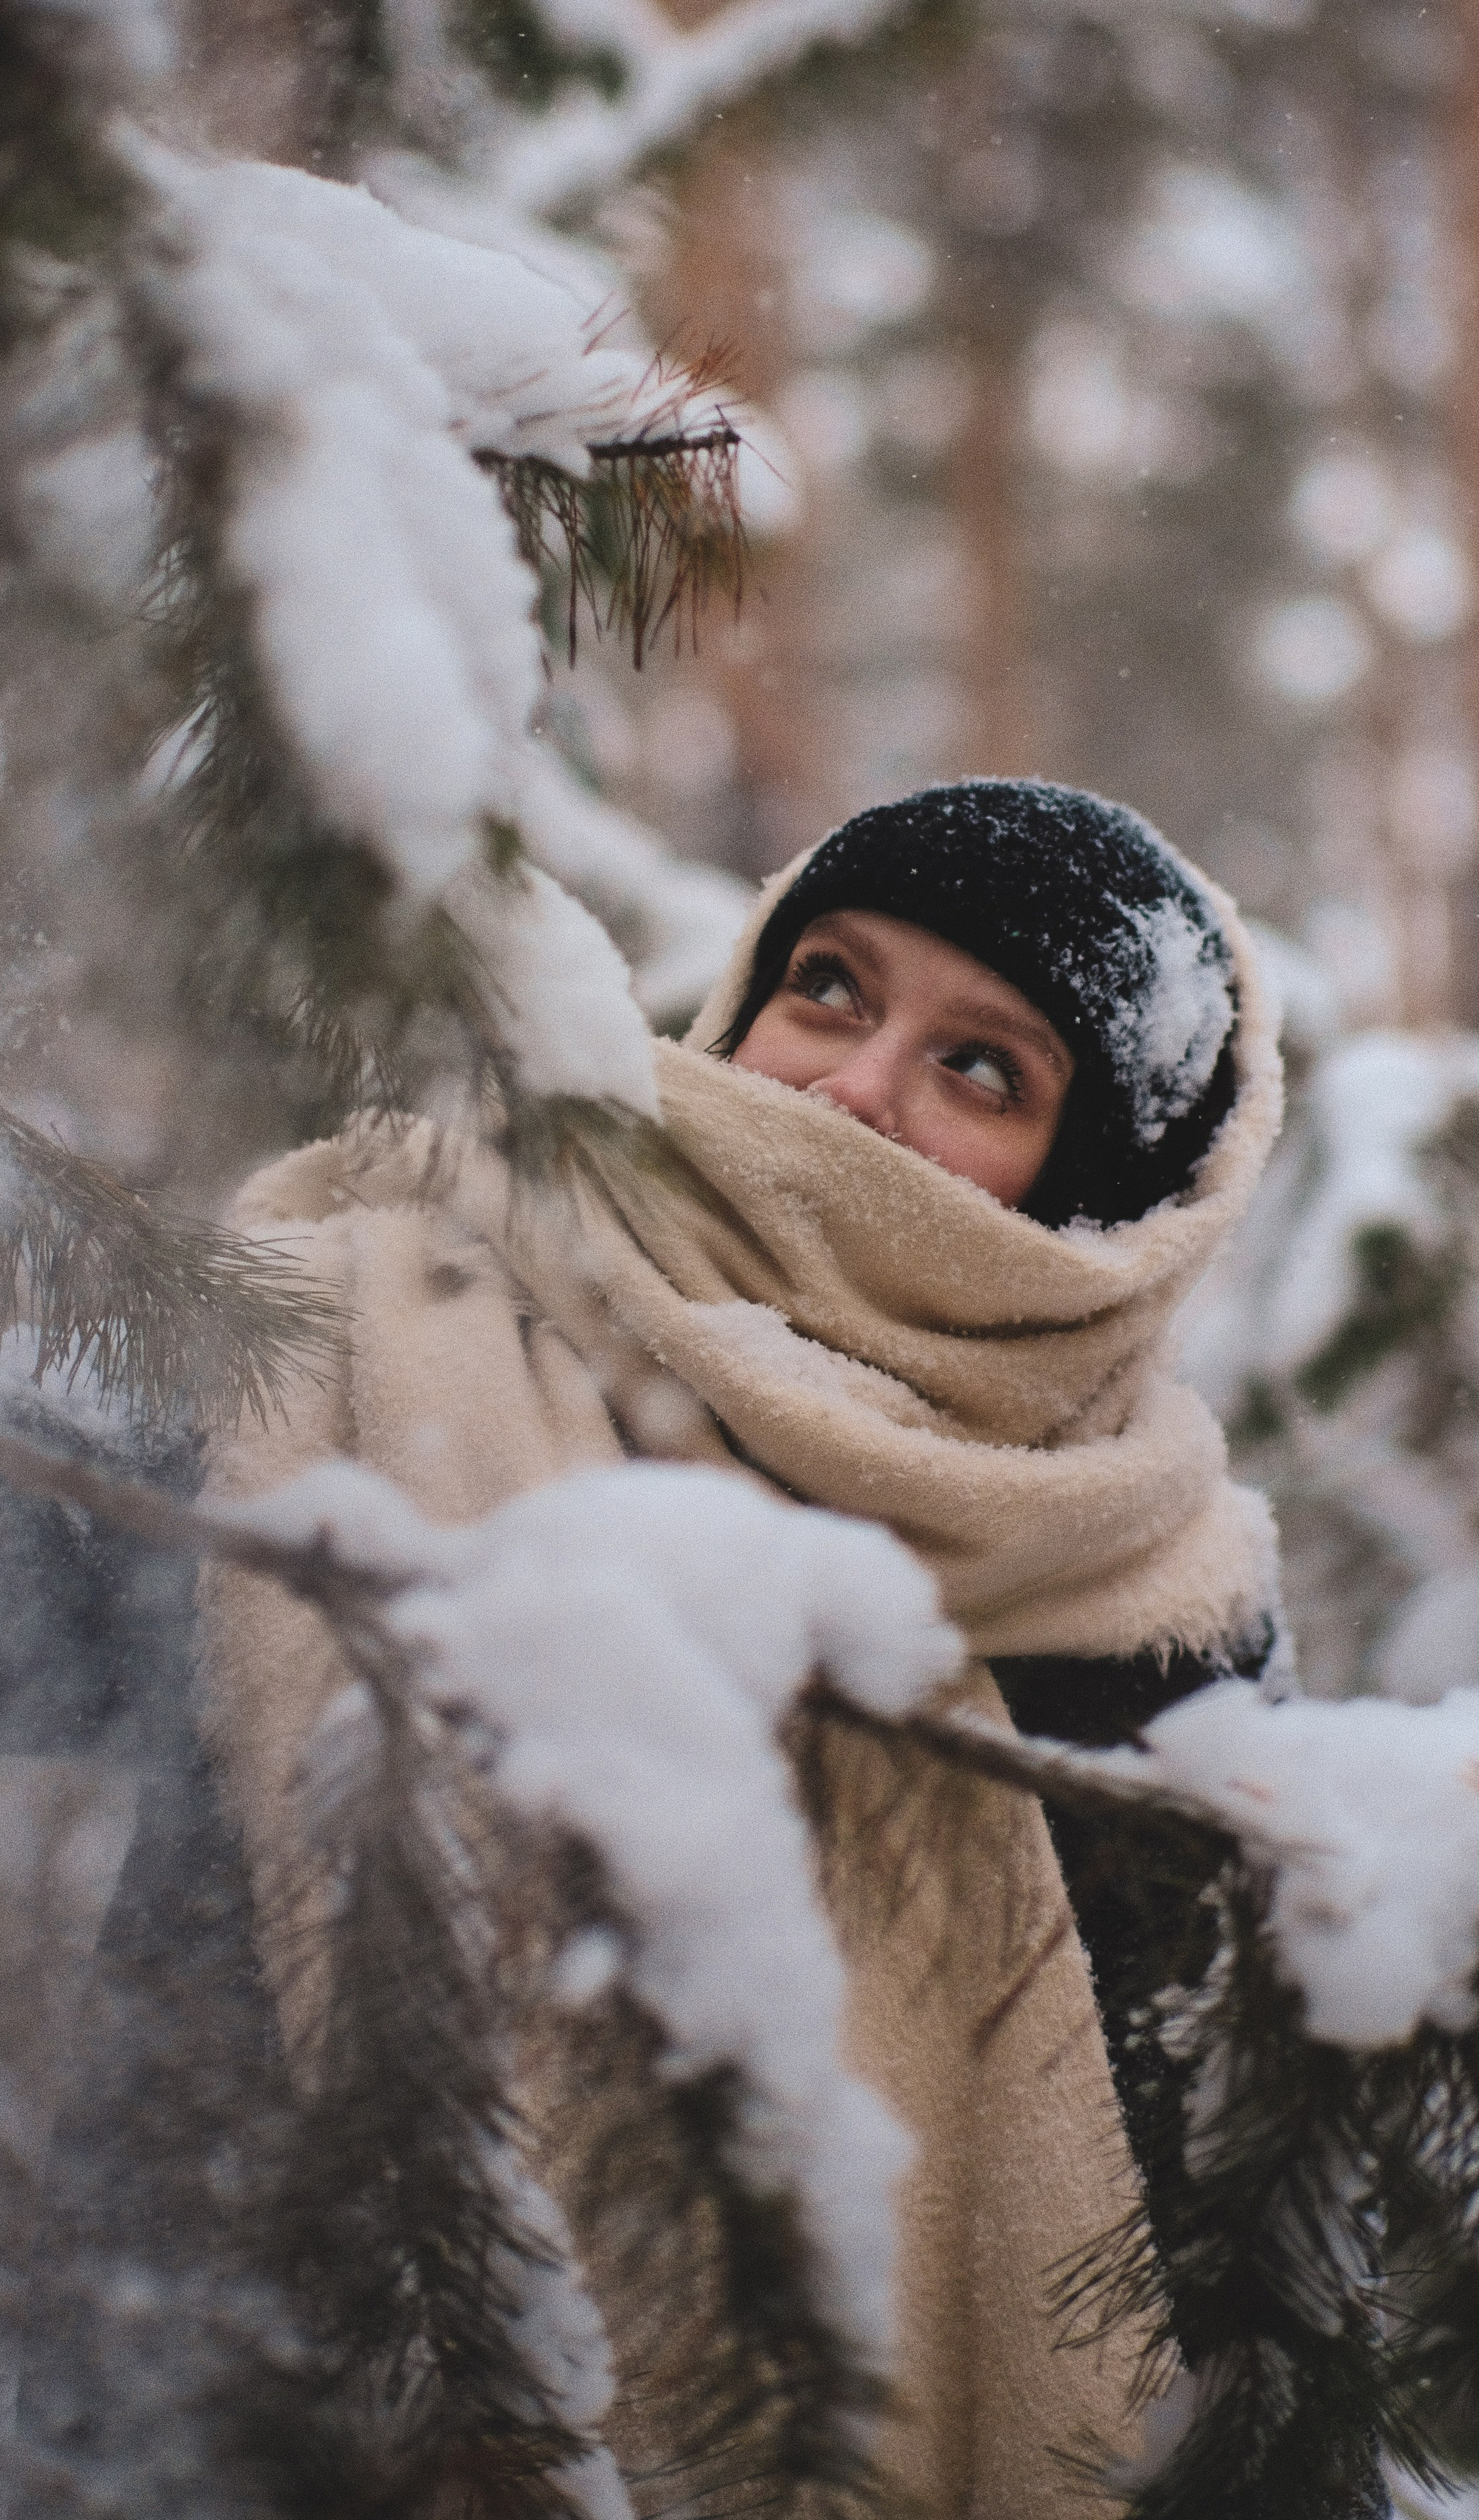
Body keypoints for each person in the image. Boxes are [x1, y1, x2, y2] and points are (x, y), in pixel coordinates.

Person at [200, 778, 1292, 2519]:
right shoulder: (386, 1314)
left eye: (981, 1066)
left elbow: (1240, 2327)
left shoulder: (1144, 1612)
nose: (848, 1083)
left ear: (1097, 1200)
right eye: (832, 984)